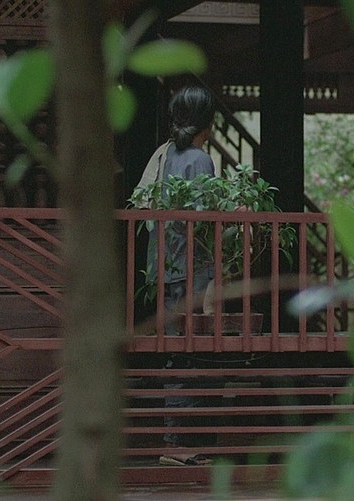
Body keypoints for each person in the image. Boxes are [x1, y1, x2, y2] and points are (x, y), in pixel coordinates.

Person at [134, 85, 218, 466]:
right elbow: (204, 221)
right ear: (207, 123)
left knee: (176, 355)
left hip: (166, 269)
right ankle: (184, 445)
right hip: (191, 270)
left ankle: (177, 443)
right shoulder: (200, 160)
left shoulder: (164, 155)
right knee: (192, 355)